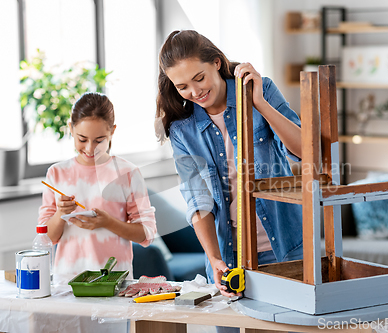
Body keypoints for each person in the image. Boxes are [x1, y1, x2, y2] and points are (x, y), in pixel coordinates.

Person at [155, 30, 303, 298]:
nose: (195, 91)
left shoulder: (262, 89)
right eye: (182, 86)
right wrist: (214, 259)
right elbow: (197, 200)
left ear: (216, 63)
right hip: (230, 258)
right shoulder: (182, 131)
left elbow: (305, 151)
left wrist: (259, 104)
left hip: (286, 247)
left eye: (199, 78)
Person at [38, 92, 156, 278]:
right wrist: (61, 213)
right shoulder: (57, 173)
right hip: (67, 284)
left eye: (99, 140)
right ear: (71, 128)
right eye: (82, 139)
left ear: (113, 131)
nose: (90, 149)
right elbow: (46, 239)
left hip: (113, 283)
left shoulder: (127, 173)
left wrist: (108, 222)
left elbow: (147, 234)